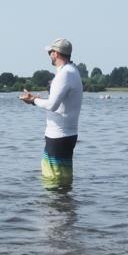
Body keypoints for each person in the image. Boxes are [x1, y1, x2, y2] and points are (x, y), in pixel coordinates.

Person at [20, 38, 84, 189]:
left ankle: (56, 211)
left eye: (50, 52)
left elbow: (52, 105)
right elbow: (57, 102)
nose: (49, 55)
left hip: (59, 136)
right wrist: (38, 99)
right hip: (66, 134)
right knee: (63, 180)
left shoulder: (65, 74)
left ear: (56, 53)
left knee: (53, 181)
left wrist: (33, 100)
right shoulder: (72, 71)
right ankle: (66, 210)